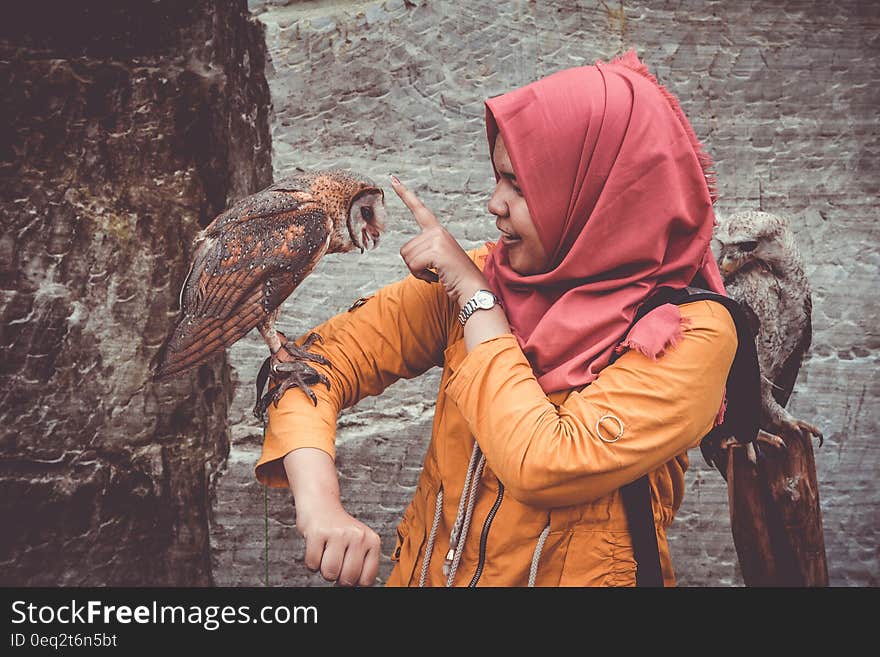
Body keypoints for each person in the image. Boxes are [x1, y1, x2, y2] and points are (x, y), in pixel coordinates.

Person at [255, 49, 737, 587]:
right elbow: (306, 367)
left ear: (600, 193)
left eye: (521, 184)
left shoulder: (688, 333)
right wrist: (321, 506)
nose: (493, 203)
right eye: (497, 177)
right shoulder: (490, 276)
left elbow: (544, 463)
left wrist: (476, 302)